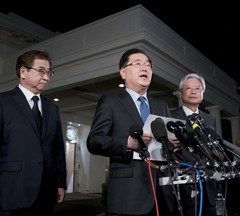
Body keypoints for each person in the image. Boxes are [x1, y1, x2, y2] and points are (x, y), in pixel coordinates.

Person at [0, 50, 67, 216]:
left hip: (45, 194)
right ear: (23, 71)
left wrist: (60, 183)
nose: (46, 77)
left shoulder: (52, 109)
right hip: (9, 193)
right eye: (41, 71)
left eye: (49, 72)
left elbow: (58, 150)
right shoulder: (0, 102)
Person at [86, 48, 174, 216]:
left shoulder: (161, 105)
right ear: (123, 72)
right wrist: (126, 143)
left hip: (162, 194)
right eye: (138, 63)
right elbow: (94, 141)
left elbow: (169, 148)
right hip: (127, 195)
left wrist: (174, 144)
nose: (145, 68)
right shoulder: (110, 102)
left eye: (148, 65)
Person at [170, 73, 219, 216]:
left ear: (202, 93)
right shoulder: (170, 116)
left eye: (197, 89)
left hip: (208, 186)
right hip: (182, 188)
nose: (193, 91)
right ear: (180, 93)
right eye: (189, 88)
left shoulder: (210, 119)